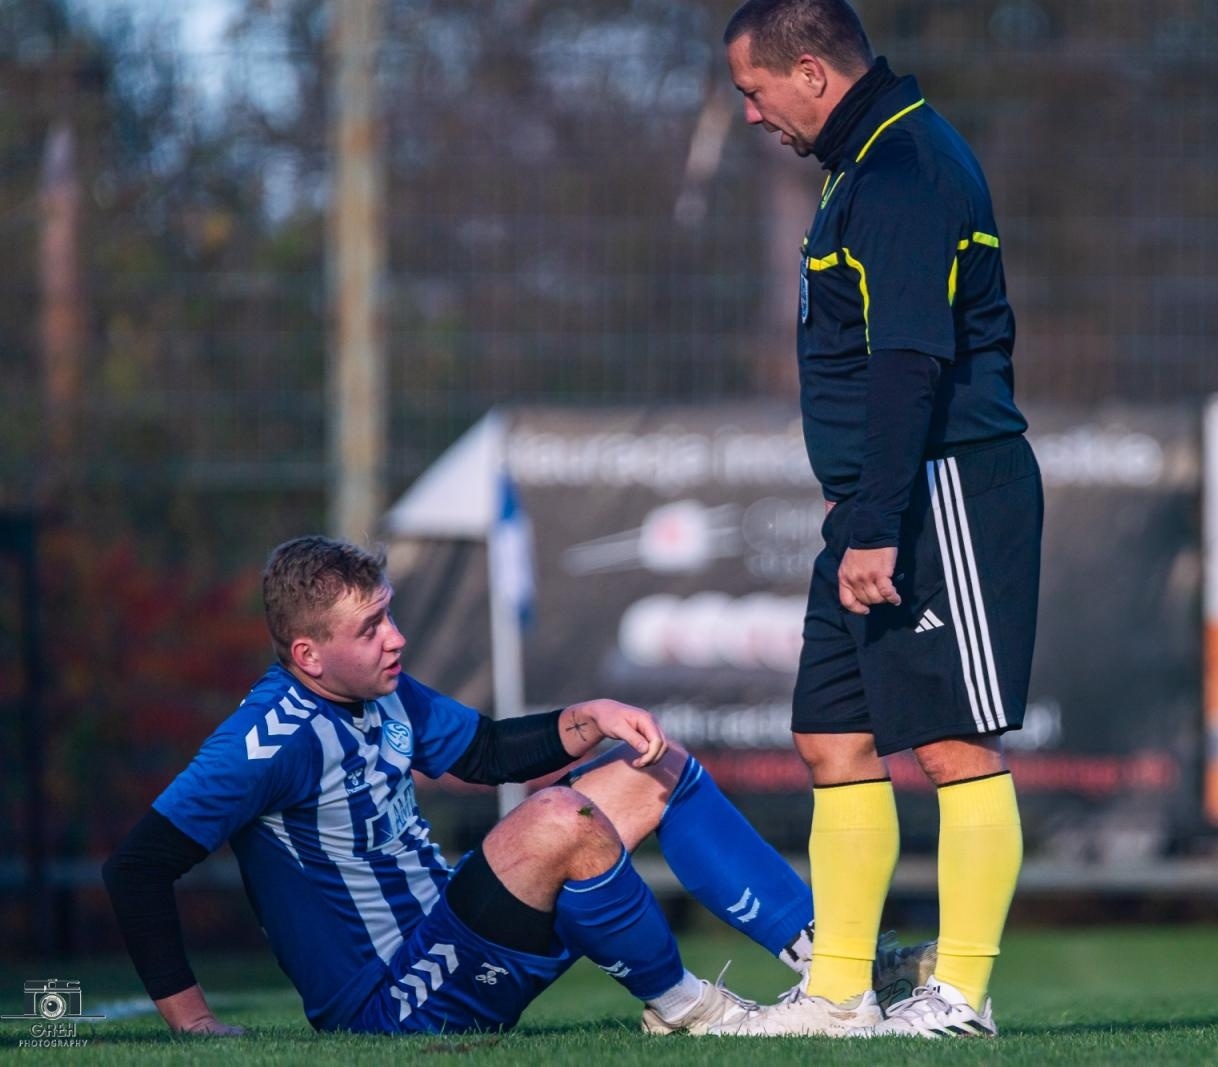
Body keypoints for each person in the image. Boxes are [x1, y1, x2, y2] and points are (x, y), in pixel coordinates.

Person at [102, 535, 831, 1036]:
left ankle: (832, 964)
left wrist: (590, 716)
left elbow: (484, 752)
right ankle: (689, 1011)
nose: (396, 637)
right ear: (308, 654)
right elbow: (136, 869)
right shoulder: (264, 743)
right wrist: (192, 1019)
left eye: (389, 613)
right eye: (371, 626)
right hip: (393, 1000)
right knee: (558, 818)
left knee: (654, 766)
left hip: (458, 932)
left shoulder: (380, 689)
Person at [717, 0, 1041, 1040]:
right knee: (830, 736)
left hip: (937, 491)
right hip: (877, 502)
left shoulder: (904, 171)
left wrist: (875, 523)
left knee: (952, 745)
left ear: (810, 72)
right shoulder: (859, 171)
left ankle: (959, 997)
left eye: (753, 91)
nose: (751, 114)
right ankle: (838, 995)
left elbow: (910, 362)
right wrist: (856, 506)